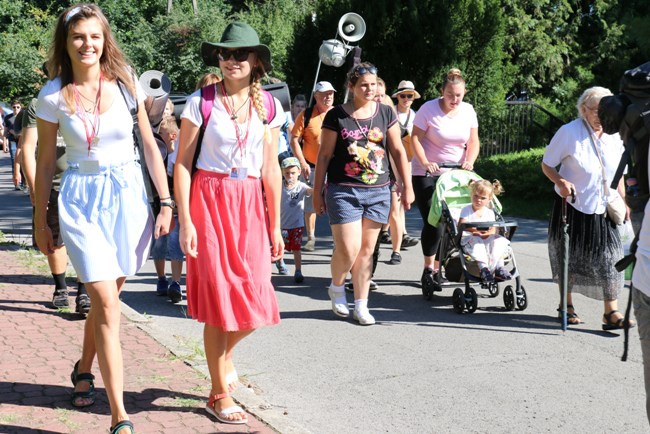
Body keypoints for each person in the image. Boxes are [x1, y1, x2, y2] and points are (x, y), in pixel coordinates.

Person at [34, 4, 172, 434]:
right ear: (66, 42)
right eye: (78, 36)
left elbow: (149, 146)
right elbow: (42, 163)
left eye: (94, 36)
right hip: (80, 198)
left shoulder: (127, 84)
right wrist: (42, 218)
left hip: (128, 195)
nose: (87, 44)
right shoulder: (53, 95)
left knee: (106, 298)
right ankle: (119, 417)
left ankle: (83, 368)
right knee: (107, 305)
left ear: (104, 39)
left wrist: (165, 200)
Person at [174, 21, 283, 424]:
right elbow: (183, 164)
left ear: (256, 60)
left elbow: (270, 169)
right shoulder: (201, 101)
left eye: (240, 54)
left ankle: (223, 357)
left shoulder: (269, 106)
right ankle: (219, 393)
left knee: (256, 296)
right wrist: (185, 219)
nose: (231, 60)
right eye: (225, 53)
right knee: (220, 301)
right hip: (209, 198)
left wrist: (273, 224)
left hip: (250, 202)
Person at [312, 62, 414, 325]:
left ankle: (361, 305)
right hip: (343, 191)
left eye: (373, 84)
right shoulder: (336, 115)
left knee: (367, 250)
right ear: (352, 87)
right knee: (348, 248)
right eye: (363, 85)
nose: (369, 89)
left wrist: (407, 185)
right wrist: (316, 192)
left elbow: (398, 151)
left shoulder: (385, 113)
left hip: (379, 191)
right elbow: (323, 155)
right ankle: (336, 287)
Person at [542, 86, 633, 329]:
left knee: (611, 259)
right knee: (569, 259)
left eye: (606, 110)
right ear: (584, 110)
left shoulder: (615, 135)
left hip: (604, 207)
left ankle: (611, 313)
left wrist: (624, 202)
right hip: (573, 205)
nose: (601, 116)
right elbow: (547, 164)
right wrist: (560, 181)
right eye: (596, 111)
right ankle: (566, 305)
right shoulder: (569, 132)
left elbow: (620, 174)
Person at [410, 68, 479, 292]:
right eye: (450, 95)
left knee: (457, 221)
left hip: (456, 173)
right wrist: (426, 162)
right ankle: (429, 268)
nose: (454, 100)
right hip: (427, 173)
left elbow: (474, 141)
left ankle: (442, 266)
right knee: (435, 219)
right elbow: (415, 139)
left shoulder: (468, 111)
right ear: (442, 91)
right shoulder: (427, 110)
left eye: (459, 95)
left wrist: (469, 161)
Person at [21, 95, 91, 313]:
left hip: (84, 181)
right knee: (55, 238)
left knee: (86, 240)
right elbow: (28, 148)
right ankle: (60, 288)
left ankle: (83, 291)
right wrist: (34, 187)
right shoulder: (38, 103)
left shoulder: (87, 97)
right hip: (53, 184)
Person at [290, 81, 336, 252]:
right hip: (311, 166)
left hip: (334, 167)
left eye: (331, 93)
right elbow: (294, 139)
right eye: (324, 94)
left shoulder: (339, 113)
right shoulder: (306, 114)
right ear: (316, 95)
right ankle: (310, 238)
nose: (328, 97)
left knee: (336, 203)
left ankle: (337, 240)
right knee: (310, 205)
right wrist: (302, 162)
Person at [152, 115, 184, 303]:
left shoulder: (178, 155)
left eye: (161, 134)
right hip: (161, 204)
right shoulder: (158, 155)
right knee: (159, 243)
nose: (158, 136)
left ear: (172, 136)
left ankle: (176, 282)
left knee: (175, 241)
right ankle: (161, 278)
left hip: (176, 203)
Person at [458, 179, 512, 281]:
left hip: (486, 237)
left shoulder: (489, 212)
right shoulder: (466, 210)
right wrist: (475, 232)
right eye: (476, 196)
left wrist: (487, 234)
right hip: (470, 238)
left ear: (489, 199)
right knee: (477, 242)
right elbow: (462, 225)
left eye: (483, 198)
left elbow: (493, 229)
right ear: (471, 195)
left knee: (498, 240)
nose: (478, 200)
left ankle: (499, 267)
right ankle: (484, 269)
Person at [276, 156, 313, 282]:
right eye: (287, 173)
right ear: (282, 172)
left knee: (296, 248)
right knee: (281, 246)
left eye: (293, 173)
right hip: (282, 224)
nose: (290, 175)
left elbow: (310, 191)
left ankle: (298, 271)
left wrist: (318, 189)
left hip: (297, 224)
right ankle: (280, 262)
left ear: (298, 172)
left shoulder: (301, 186)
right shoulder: (279, 186)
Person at [4, 100, 22, 189]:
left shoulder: (23, 117)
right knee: (14, 160)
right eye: (14, 107)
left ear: (21, 107)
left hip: (22, 140)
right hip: (12, 141)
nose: (16, 109)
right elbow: (5, 131)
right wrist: (4, 144)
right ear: (11, 108)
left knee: (23, 161)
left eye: (18, 107)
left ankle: (24, 182)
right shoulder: (8, 118)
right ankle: (16, 183)